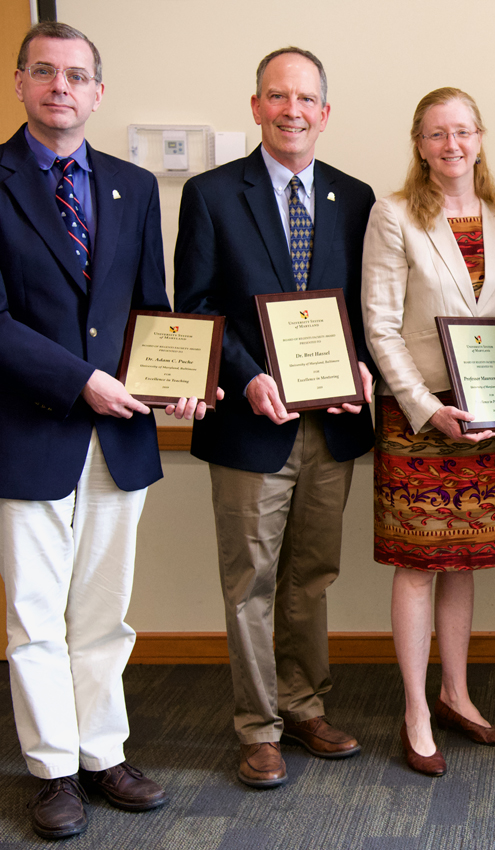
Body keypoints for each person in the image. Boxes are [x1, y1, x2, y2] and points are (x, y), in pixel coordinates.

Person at [0, 21, 212, 840]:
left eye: (76, 76)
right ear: (21, 84)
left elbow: (149, 311)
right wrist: (83, 383)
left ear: (98, 92)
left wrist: (178, 382)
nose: (60, 87)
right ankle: (53, 770)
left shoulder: (134, 187)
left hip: (121, 437)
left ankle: (105, 754)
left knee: (105, 612)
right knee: (35, 614)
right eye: (44, 73)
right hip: (24, 429)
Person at [174, 47, 376, 789]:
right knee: (251, 580)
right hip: (250, 422)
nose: (292, 110)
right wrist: (250, 377)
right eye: (277, 96)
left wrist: (367, 369)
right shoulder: (211, 194)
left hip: (332, 424)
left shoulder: (357, 199)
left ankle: (304, 703)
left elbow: (371, 311)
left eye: (306, 99)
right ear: (255, 106)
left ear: (325, 113)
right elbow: (194, 308)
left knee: (312, 575)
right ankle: (258, 728)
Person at [361, 88, 495, 777]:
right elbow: (379, 324)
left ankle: (457, 693)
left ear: (480, 137)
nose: (452, 145)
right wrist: (421, 405)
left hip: (485, 410)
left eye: (463, 131)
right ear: (420, 143)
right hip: (419, 418)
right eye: (438, 134)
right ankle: (415, 709)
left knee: (463, 558)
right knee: (417, 563)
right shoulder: (394, 213)